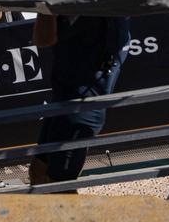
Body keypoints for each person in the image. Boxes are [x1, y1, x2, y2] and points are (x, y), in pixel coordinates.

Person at [29, 14, 130, 189]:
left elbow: (42, 39)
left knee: (58, 186)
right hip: (63, 98)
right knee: (38, 170)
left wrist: (45, 6)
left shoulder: (104, 9)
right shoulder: (85, 3)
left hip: (81, 109)